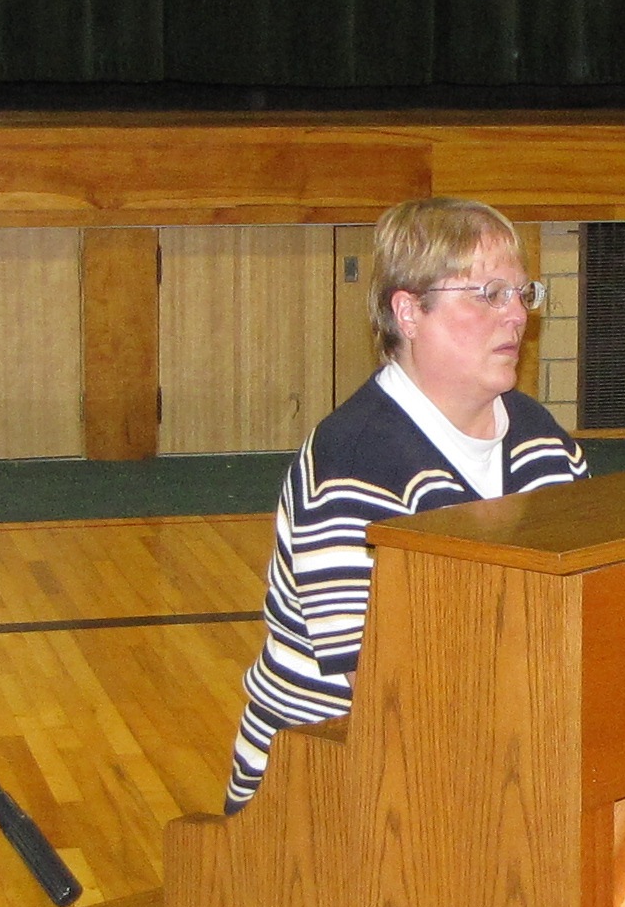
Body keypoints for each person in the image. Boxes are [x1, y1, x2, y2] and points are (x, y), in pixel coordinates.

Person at [225, 197, 586, 812]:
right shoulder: (353, 460)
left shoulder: (543, 440)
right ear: (409, 311)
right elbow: (378, 688)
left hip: (486, 755)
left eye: (522, 293)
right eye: (487, 294)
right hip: (319, 788)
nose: (515, 317)